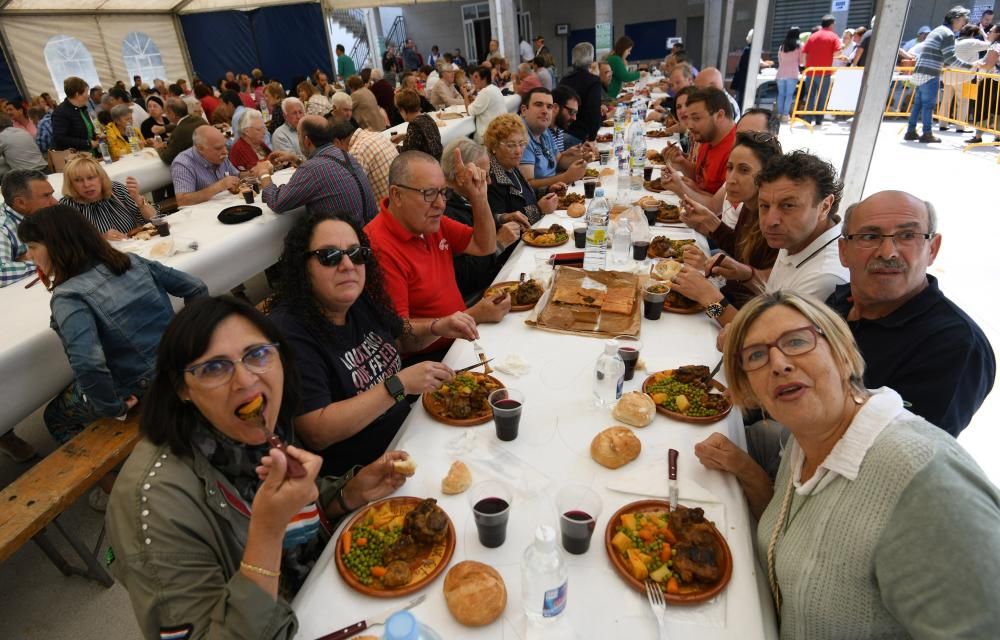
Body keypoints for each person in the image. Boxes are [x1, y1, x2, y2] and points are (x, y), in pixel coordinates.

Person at [693, 290, 1000, 639]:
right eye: (757, 356)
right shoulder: (806, 438)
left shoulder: (927, 479)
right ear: (748, 388)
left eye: (796, 341)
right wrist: (745, 469)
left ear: (842, 353)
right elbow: (790, 535)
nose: (779, 364)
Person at [106, 296, 412, 638]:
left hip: (321, 595)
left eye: (257, 354)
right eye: (213, 368)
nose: (245, 381)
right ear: (182, 389)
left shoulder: (265, 427)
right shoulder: (152, 505)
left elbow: (292, 509)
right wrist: (266, 533)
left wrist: (346, 494)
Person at [19, 205, 205, 502]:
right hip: (172, 366)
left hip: (138, 388)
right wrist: (189, 348)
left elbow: (89, 362)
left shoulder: (69, 296)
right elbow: (196, 288)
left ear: (55, 246)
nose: (30, 255)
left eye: (32, 247)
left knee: (54, 417)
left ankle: (115, 494)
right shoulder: (131, 261)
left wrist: (112, 407)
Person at [268, 211, 474, 474]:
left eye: (356, 254)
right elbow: (317, 432)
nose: (347, 265)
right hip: (372, 473)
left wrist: (438, 326)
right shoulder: (289, 332)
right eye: (329, 256)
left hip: (413, 433)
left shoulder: (358, 300)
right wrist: (398, 386)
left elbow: (403, 337)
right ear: (302, 265)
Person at [828, 190, 994, 436]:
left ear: (932, 249)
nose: (887, 252)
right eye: (870, 236)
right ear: (844, 251)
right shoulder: (838, 301)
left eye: (907, 236)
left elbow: (908, 454)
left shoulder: (956, 345)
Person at [365, 150, 510, 361]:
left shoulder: (428, 221)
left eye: (443, 193)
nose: (441, 204)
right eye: (429, 194)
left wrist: (478, 197)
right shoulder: (379, 246)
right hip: (432, 359)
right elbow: (400, 336)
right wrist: (474, 315)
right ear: (397, 195)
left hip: (462, 339)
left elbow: (484, 245)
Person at [668, 131, 782, 311]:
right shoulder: (749, 205)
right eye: (729, 168)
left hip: (735, 314)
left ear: (768, 175)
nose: (731, 180)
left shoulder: (775, 226)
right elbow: (738, 251)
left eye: (744, 170)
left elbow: (739, 300)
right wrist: (708, 222)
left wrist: (712, 279)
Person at [256, 116, 376, 223]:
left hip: (348, 243)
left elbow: (277, 202)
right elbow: (324, 169)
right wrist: (296, 160)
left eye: (298, 134)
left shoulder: (311, 170)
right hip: (368, 232)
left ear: (307, 141)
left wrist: (264, 174)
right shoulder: (345, 154)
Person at [905, 7, 970, 143]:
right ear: (955, 19)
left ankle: (910, 132)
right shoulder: (948, 34)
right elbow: (951, 58)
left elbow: (941, 55)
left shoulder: (937, 30)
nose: (964, 25)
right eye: (963, 21)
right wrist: (970, 66)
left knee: (918, 104)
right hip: (930, 73)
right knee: (928, 105)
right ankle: (927, 133)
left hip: (920, 71)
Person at [485, 113, 559, 229]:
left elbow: (524, 197)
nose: (519, 151)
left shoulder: (511, 167)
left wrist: (547, 191)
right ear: (494, 147)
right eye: (511, 145)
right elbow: (500, 224)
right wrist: (538, 209)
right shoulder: (491, 179)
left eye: (521, 144)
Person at [59, 154, 158, 238]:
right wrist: (101, 239)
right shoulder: (67, 206)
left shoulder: (116, 190)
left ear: (101, 178)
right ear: (70, 183)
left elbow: (154, 219)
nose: (86, 185)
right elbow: (68, 244)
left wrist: (139, 200)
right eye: (78, 180)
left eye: (91, 178)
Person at [665, 88, 736, 196]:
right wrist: (682, 162)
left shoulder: (736, 152)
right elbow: (701, 176)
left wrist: (686, 189)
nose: (689, 126)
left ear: (719, 116)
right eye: (689, 118)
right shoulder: (708, 135)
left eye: (696, 118)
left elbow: (722, 207)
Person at [518, 87, 587, 190]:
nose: (545, 111)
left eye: (549, 107)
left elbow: (558, 160)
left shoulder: (544, 130)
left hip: (554, 192)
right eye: (538, 105)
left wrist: (583, 158)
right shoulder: (519, 136)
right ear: (524, 110)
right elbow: (527, 186)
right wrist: (566, 177)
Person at [1, 168, 54, 286]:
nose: (55, 202)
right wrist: (45, 258)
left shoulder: (43, 213)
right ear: (21, 203)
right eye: (46, 196)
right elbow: (1, 272)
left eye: (52, 194)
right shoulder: (2, 227)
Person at [328, 115, 397, 201]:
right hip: (399, 201)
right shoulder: (376, 135)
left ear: (337, 142)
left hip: (386, 209)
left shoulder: (356, 152)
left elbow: (352, 194)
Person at [171, 125, 240, 207]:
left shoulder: (221, 155)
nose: (225, 151)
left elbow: (237, 176)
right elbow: (183, 201)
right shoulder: (183, 163)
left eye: (224, 145)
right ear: (200, 148)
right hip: (201, 215)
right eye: (218, 148)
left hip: (227, 205)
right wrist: (219, 186)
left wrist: (252, 172)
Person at [801, 15, 843, 125]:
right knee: (822, 96)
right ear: (831, 25)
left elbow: (804, 53)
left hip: (810, 71)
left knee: (809, 96)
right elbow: (837, 53)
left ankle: (808, 119)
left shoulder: (812, 36)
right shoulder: (833, 37)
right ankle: (819, 119)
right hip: (824, 72)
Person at [560, 42, 603, 142]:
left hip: (563, 135)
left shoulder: (564, 80)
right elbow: (593, 113)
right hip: (581, 136)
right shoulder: (593, 81)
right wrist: (592, 138)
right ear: (591, 59)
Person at [392, 89, 442, 159]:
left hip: (426, 166)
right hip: (435, 162)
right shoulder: (427, 118)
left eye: (399, 110)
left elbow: (406, 153)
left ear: (403, 110)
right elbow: (422, 136)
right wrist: (403, 136)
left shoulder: (414, 125)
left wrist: (392, 145)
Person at [155, 98, 207, 165]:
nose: (165, 115)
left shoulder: (179, 132)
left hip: (196, 166)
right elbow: (183, 125)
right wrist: (165, 128)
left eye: (166, 112)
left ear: (172, 114)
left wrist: (159, 148)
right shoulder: (198, 119)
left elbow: (168, 159)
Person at [52, 77, 97, 152]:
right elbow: (60, 138)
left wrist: (96, 136)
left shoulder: (82, 108)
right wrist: (87, 143)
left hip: (90, 154)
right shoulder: (60, 112)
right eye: (86, 92)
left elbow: (87, 131)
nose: (88, 95)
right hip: (76, 158)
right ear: (77, 94)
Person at [463, 66, 506, 144]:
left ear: (484, 78)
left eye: (476, 77)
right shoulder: (494, 88)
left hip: (488, 135)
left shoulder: (485, 92)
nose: (473, 80)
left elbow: (469, 112)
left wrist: (465, 95)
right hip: (499, 130)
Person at [776, 27, 804, 122]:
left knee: (781, 94)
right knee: (789, 95)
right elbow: (802, 62)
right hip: (792, 73)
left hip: (780, 73)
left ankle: (779, 114)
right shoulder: (799, 46)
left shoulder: (782, 46)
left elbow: (779, 60)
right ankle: (785, 115)